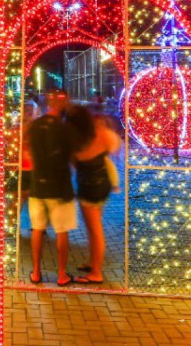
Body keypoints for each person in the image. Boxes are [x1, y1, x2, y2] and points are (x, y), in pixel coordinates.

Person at [64, 104, 121, 285]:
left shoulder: (75, 143)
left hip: (88, 189)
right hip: (102, 185)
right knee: (94, 229)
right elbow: (115, 147)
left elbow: (72, 165)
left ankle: (96, 272)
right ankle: (93, 262)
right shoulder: (102, 135)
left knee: (95, 231)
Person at [27, 89, 79, 286]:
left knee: (37, 230)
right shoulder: (65, 129)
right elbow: (72, 158)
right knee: (61, 230)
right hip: (59, 187)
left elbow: (30, 152)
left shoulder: (35, 126)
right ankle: (62, 274)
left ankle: (36, 273)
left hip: (37, 186)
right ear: (63, 103)